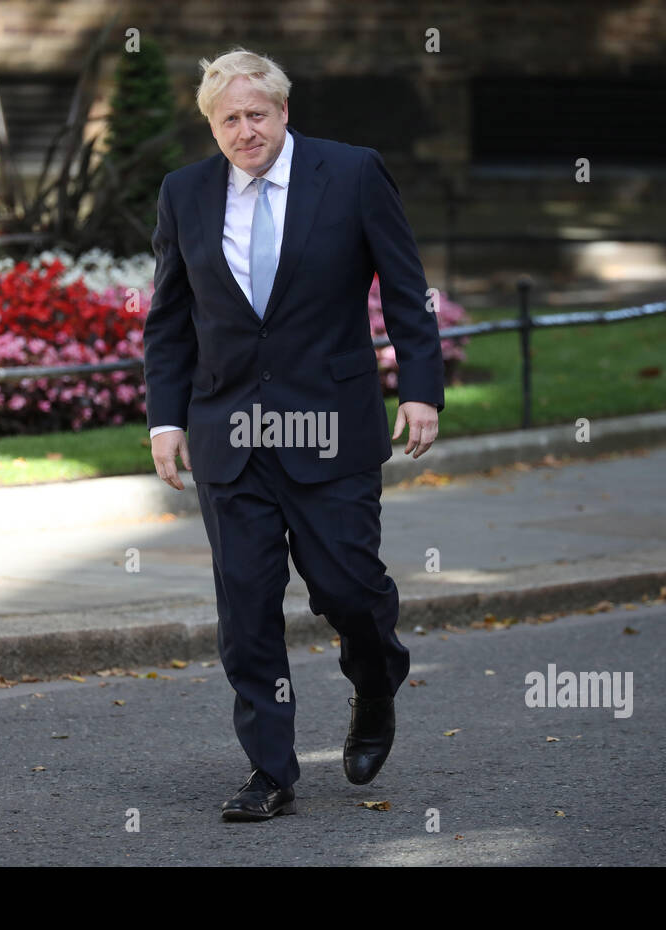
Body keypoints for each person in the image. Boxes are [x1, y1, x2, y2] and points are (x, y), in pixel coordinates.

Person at [142, 47, 444, 822]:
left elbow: (406, 290)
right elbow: (171, 320)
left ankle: (376, 679)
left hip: (331, 426)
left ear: (284, 111)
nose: (246, 131)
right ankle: (269, 771)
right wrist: (167, 418)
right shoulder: (185, 193)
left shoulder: (350, 174)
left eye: (258, 114)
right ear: (211, 125)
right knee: (246, 607)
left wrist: (420, 392)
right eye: (228, 119)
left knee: (345, 585)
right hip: (228, 431)